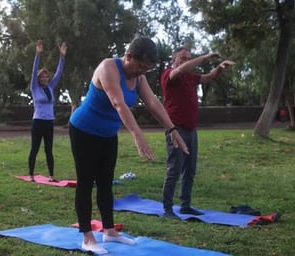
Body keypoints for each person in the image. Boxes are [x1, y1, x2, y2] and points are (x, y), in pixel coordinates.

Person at [69, 36, 188, 254]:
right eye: (140, 66)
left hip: (107, 134)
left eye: (147, 70)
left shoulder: (139, 79)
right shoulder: (108, 68)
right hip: (83, 130)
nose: (141, 72)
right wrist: (137, 133)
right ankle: (87, 237)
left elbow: (153, 103)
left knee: (105, 182)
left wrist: (172, 129)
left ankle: (109, 231)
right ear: (129, 56)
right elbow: (118, 102)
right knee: (86, 182)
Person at [160, 47, 235, 219]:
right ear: (174, 61)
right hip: (175, 129)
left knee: (190, 169)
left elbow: (209, 77)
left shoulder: (191, 78)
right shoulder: (169, 74)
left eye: (189, 58)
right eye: (183, 58)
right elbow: (179, 70)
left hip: (191, 129)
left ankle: (185, 206)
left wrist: (220, 67)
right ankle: (167, 209)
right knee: (174, 169)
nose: (186, 61)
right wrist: (205, 57)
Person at [28, 40, 67, 182]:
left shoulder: (50, 87)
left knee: (49, 149)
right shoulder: (34, 87)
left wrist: (62, 57)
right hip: (38, 121)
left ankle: (51, 176)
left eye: (46, 76)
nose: (45, 78)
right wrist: (38, 54)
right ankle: (31, 175)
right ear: (38, 79)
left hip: (49, 122)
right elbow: (33, 71)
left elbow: (59, 73)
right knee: (35, 148)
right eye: (42, 77)